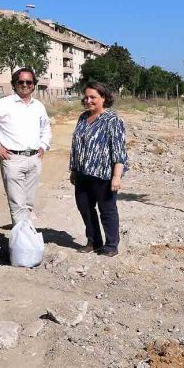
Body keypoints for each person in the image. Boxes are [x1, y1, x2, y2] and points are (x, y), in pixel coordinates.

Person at [0, 68, 51, 225]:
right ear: (14, 84)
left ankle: (24, 235)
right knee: (17, 205)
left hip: (34, 159)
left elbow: (46, 128)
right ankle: (21, 245)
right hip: (12, 159)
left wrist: (43, 145)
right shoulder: (3, 104)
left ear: (34, 85)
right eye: (20, 82)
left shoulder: (38, 106)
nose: (25, 85)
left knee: (28, 203)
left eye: (28, 82)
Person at [68, 82, 127, 256]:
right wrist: (74, 169)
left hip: (103, 175)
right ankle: (93, 241)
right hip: (82, 173)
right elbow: (77, 146)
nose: (88, 100)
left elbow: (119, 150)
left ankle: (111, 246)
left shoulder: (112, 119)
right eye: (86, 97)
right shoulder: (83, 118)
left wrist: (117, 176)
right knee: (84, 207)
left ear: (103, 98)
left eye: (93, 97)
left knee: (107, 210)